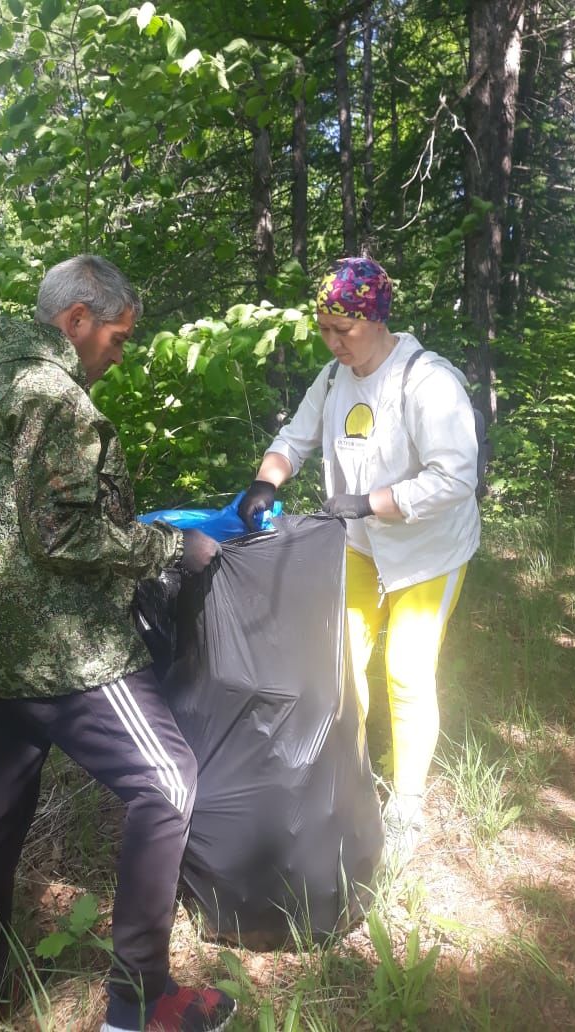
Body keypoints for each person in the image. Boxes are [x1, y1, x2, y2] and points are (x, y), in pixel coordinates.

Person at [0, 255, 236, 1032]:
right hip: (64, 650)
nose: (118, 353)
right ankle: (140, 1005)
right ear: (78, 319)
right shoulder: (54, 399)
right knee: (166, 785)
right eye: (118, 337)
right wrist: (168, 548)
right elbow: (64, 532)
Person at [238, 257, 480, 868]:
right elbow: (294, 438)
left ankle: (408, 803)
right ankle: (348, 777)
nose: (333, 342)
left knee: (406, 668)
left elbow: (455, 477)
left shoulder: (426, 380)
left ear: (375, 318)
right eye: (324, 329)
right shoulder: (333, 377)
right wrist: (267, 482)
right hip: (358, 543)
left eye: (343, 330)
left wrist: (372, 502)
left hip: (428, 549)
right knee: (343, 660)